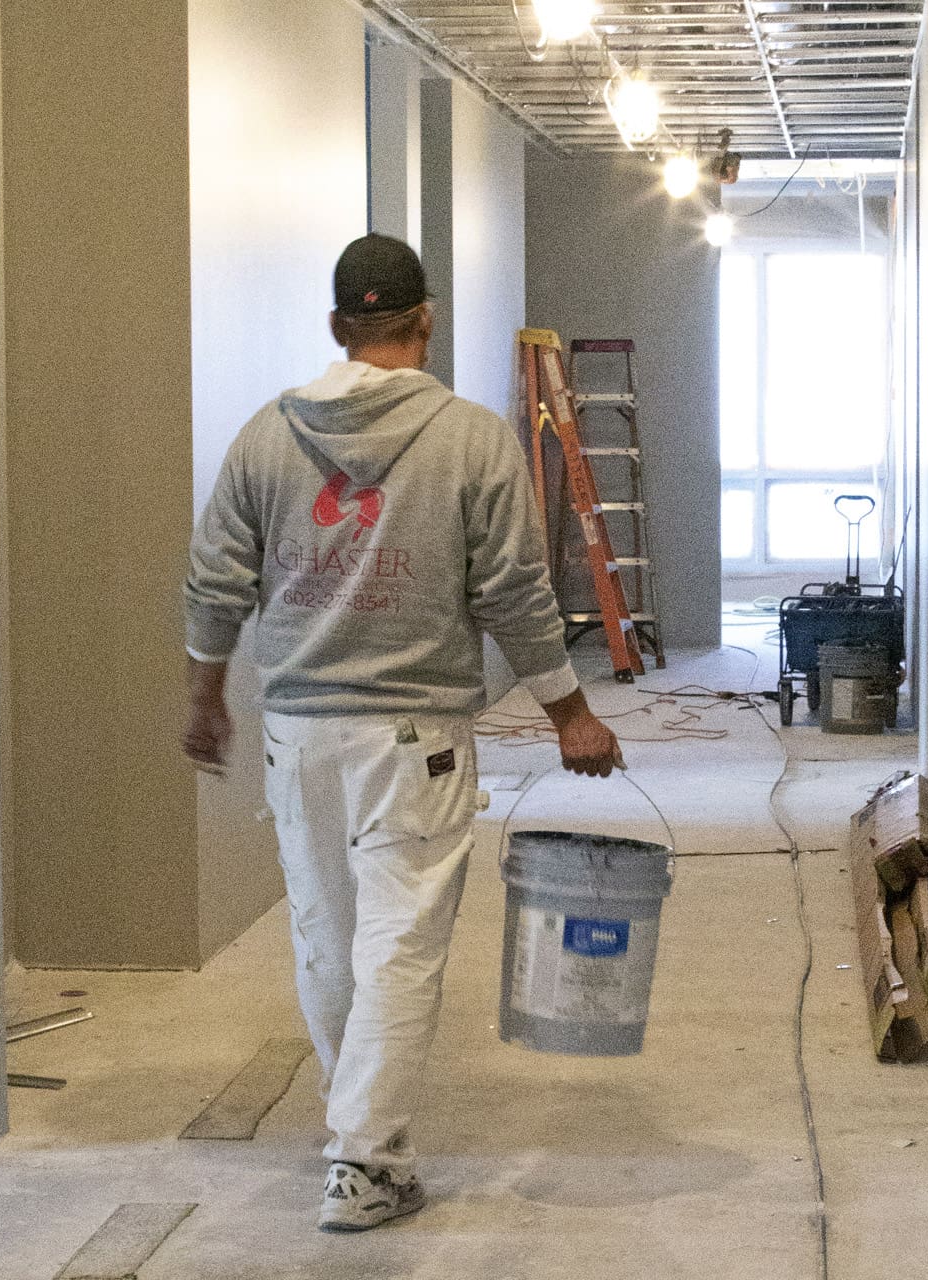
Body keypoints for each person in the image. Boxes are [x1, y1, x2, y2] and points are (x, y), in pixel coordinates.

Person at [181, 233, 621, 1233]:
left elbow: (217, 579)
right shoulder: (470, 439)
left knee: (329, 941)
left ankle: (361, 1141)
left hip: (299, 728)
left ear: (338, 328)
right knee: (399, 946)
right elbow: (511, 588)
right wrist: (571, 712)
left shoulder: (264, 436)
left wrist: (206, 695)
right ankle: (365, 1157)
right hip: (413, 733)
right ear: (426, 320)